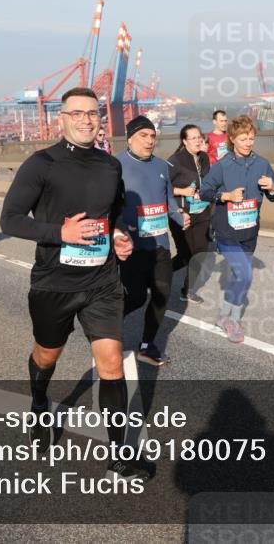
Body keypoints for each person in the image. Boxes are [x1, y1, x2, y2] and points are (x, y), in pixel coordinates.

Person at [0, 86, 149, 481]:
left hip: (102, 280)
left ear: (100, 119)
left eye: (92, 113)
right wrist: (59, 233)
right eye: (76, 113)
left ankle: (118, 456)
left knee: (112, 365)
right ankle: (38, 404)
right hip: (54, 282)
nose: (85, 119)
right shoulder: (41, 164)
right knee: (47, 357)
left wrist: (120, 236)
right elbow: (10, 220)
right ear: (60, 119)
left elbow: (114, 213)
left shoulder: (110, 165)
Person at [200, 115, 274, 343]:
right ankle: (233, 321)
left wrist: (273, 187)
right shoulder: (222, 165)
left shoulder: (262, 163)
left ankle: (223, 316)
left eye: (251, 138)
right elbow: (204, 192)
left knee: (239, 275)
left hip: (249, 231)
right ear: (232, 139)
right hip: (226, 230)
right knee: (245, 273)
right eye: (244, 138)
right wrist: (226, 196)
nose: (248, 143)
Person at [116, 115, 188, 366]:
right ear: (130, 137)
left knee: (161, 295)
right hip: (132, 247)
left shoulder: (161, 166)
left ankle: (147, 345)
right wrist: (121, 229)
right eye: (143, 136)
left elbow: (168, 200)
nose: (149, 141)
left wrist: (179, 217)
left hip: (159, 245)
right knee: (135, 297)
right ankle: (107, 330)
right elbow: (111, 207)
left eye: (152, 136)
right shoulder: (116, 165)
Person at [168, 124, 212, 304]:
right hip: (182, 213)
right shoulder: (175, 160)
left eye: (199, 136)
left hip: (202, 211)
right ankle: (155, 275)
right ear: (184, 141)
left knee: (200, 253)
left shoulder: (204, 158)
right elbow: (163, 186)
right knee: (185, 255)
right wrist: (182, 191)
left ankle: (187, 290)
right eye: (193, 138)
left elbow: (209, 181)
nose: (198, 140)